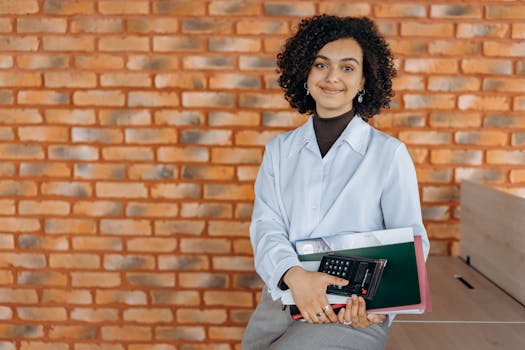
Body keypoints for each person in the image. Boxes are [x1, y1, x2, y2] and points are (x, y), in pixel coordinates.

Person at [242, 15, 430, 350]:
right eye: (321, 64)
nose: (332, 77)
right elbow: (266, 226)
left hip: (350, 313)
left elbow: (413, 240)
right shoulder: (279, 151)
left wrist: (378, 309)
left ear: (363, 81)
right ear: (305, 73)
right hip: (280, 302)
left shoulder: (388, 154)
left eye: (347, 67)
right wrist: (296, 277)